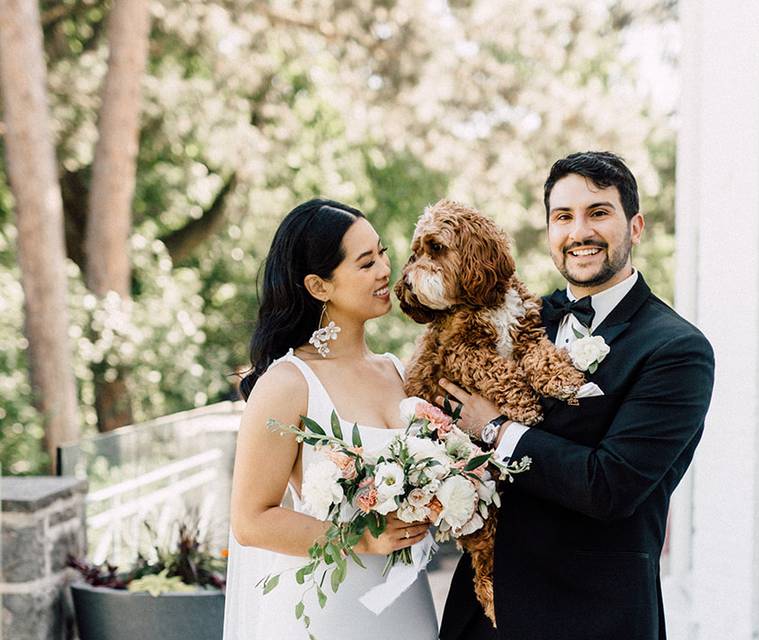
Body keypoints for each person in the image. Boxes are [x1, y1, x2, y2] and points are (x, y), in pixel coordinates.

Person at [437, 151, 715, 640]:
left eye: (598, 213)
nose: (579, 231)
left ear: (636, 226)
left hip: (591, 617)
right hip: (485, 614)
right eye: (563, 216)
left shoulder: (676, 349)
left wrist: (496, 428)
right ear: (548, 231)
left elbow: (608, 486)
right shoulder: (521, 319)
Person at [223, 199, 438, 639]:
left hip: (408, 607)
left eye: (381, 252)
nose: (385, 270)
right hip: (331, 617)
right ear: (319, 286)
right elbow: (250, 521)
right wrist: (360, 538)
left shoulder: (399, 371)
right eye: (365, 263)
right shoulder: (288, 383)